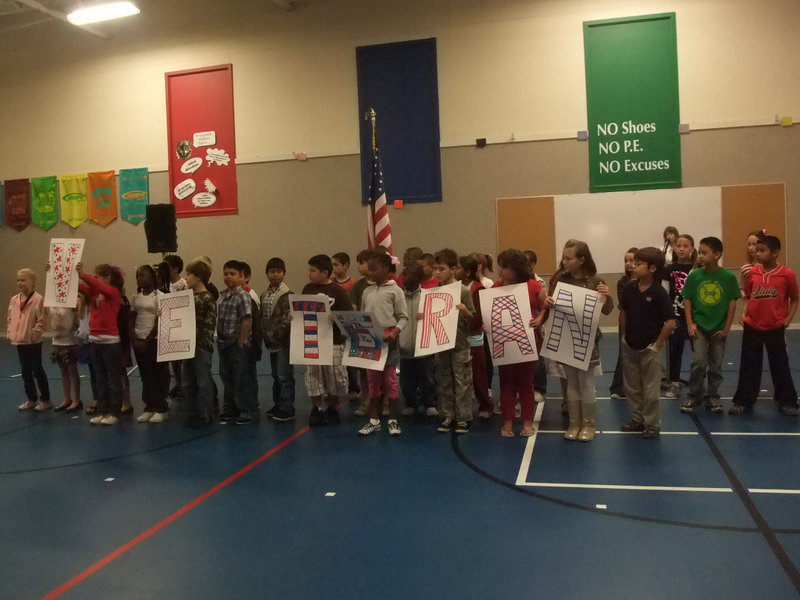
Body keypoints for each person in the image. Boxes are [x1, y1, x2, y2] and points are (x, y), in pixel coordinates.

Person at [544, 240, 613, 441]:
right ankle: (574, 422)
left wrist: (607, 297)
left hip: (588, 338)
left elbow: (607, 310)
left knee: (586, 382)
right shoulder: (560, 280)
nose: (564, 261)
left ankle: (589, 424)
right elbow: (551, 304)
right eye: (563, 258)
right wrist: (548, 302)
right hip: (566, 336)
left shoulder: (596, 280)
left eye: (568, 258)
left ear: (581, 260)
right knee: (571, 381)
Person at [730, 234, 799, 416]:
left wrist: (788, 319)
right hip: (753, 325)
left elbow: (795, 298)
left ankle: (787, 401)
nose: (757, 253)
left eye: (762, 251)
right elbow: (748, 296)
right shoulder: (752, 273)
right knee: (749, 364)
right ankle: (744, 400)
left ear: (775, 252)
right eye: (756, 250)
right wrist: (744, 314)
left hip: (776, 326)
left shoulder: (787, 274)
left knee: (780, 365)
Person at [619, 248, 676, 438]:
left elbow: (670, 322)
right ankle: (637, 419)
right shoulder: (629, 289)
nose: (633, 267)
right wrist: (624, 337)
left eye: (639, 264)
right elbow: (624, 312)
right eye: (634, 263)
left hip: (650, 348)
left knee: (651, 389)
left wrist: (657, 345)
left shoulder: (659, 293)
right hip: (630, 344)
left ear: (652, 268)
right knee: (632, 387)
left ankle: (651, 423)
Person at [680, 236, 740, 414]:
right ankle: (694, 394)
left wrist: (726, 328)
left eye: (704, 253)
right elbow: (688, 299)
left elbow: (732, 302)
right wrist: (690, 323)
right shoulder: (695, 276)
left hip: (719, 329)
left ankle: (713, 397)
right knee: (698, 361)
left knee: (716, 364)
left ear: (717, 254)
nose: (700, 256)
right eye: (699, 252)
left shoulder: (728, 277)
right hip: (699, 327)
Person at [492, 249, 545, 437]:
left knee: (526, 383)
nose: (500, 270)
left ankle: (527, 422)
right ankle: (507, 422)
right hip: (504, 343)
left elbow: (545, 306)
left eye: (505, 267)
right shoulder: (496, 287)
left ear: (516, 268)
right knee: (506, 383)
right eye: (500, 266)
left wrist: (540, 320)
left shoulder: (532, 286)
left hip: (527, 341)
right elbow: (489, 312)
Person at [357, 250, 409, 435]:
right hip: (372, 342)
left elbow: (403, 317)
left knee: (390, 380)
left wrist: (395, 331)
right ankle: (374, 419)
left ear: (386, 268)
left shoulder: (396, 291)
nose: (370, 272)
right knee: (373, 381)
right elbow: (363, 316)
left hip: (389, 342)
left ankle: (393, 420)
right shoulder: (366, 291)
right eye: (368, 269)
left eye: (374, 269)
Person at [302, 254, 352, 426]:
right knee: (313, 375)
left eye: (313, 271)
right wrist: (293, 316)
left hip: (334, 341)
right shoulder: (308, 289)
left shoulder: (339, 292)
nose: (309, 274)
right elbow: (300, 311)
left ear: (324, 273)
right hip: (312, 341)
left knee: (333, 377)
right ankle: (317, 408)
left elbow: (348, 317)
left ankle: (332, 407)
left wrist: (336, 319)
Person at [432, 248, 476, 434]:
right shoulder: (433, 292)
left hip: (460, 344)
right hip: (441, 344)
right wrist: (423, 317)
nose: (437, 272)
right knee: (444, 380)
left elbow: (473, 318)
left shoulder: (463, 291)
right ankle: (448, 414)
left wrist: (465, 311)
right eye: (435, 269)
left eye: (441, 268)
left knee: (462, 381)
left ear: (453, 269)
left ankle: (464, 417)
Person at [77, 263, 125, 425]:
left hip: (110, 342)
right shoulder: (94, 292)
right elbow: (78, 287)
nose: (94, 280)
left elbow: (94, 284)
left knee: (112, 378)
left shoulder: (113, 292)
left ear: (107, 278)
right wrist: (59, 272)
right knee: (100, 378)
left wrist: (84, 275)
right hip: (95, 340)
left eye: (97, 276)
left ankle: (114, 411)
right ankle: (103, 410)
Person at [217, 260, 257, 425]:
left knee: (241, 377)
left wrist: (241, 340)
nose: (228, 277)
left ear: (242, 277)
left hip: (236, 344)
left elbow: (246, 319)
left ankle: (245, 410)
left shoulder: (242, 296)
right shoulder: (223, 296)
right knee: (226, 376)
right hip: (223, 342)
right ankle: (230, 408)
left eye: (232, 274)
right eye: (226, 273)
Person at [130, 265, 170, 423]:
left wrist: (148, 339)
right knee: (145, 374)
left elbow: (160, 320)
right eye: (138, 276)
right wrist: (133, 337)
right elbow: (132, 318)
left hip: (153, 340)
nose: (139, 278)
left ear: (152, 278)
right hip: (139, 339)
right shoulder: (136, 298)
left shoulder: (160, 296)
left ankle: (161, 406)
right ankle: (149, 405)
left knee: (158, 373)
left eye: (143, 275)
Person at [398, 263, 438, 417]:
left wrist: (428, 316)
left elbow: (438, 317)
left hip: (424, 346)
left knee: (427, 377)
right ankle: (410, 403)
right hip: (405, 346)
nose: (404, 278)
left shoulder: (428, 296)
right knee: (406, 380)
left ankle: (429, 403)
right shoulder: (399, 296)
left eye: (407, 274)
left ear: (417, 278)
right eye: (403, 274)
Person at [8, 268, 50, 411]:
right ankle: (31, 398)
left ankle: (45, 399)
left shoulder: (38, 299)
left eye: (23, 280)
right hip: (19, 340)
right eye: (18, 280)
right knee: (25, 370)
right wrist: (11, 332)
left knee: (37, 369)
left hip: (33, 341)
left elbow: (42, 320)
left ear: (32, 282)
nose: (20, 283)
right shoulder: (14, 300)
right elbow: (10, 317)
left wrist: (34, 334)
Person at [456, 254, 492, 418]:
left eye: (457, 268)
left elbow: (479, 318)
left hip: (474, 338)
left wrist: (465, 313)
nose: (454, 270)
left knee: (478, 374)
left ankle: (485, 405)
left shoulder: (477, 289)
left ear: (468, 272)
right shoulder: (451, 288)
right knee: (459, 376)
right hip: (458, 338)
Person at [260, 257, 295, 422]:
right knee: (275, 375)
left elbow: (287, 320)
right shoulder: (264, 294)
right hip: (270, 341)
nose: (275, 275)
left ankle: (287, 407)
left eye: (278, 272)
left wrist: (277, 335)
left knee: (284, 375)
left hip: (283, 342)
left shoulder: (288, 295)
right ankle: (278, 404)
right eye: (272, 272)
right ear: (267, 273)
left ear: (284, 274)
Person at [183, 259, 217, 427]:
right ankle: (191, 412)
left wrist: (201, 343)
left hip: (201, 346)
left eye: (188, 275)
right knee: (188, 381)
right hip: (186, 345)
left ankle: (204, 414)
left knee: (203, 381)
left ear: (198, 277)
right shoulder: (186, 296)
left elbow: (208, 324)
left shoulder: (207, 298)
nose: (186, 278)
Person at [664, 234, 698, 398]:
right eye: (679, 245)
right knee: (674, 351)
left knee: (698, 352)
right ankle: (674, 384)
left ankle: (698, 384)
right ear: (674, 248)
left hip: (695, 317)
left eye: (686, 246)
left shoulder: (697, 269)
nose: (682, 249)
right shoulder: (669, 269)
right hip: (675, 316)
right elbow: (663, 292)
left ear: (692, 248)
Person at [610, 248, 637, 399]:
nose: (629, 264)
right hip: (626, 321)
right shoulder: (623, 282)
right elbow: (623, 304)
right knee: (623, 352)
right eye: (626, 261)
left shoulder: (648, 281)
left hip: (642, 322)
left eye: (632, 261)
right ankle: (617, 387)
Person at [50, 296, 82, 412]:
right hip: (57, 340)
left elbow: (78, 318)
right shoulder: (52, 301)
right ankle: (66, 398)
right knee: (63, 371)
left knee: (72, 371)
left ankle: (76, 399)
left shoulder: (73, 301)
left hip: (70, 340)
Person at [350, 249, 372, 414]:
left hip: (381, 331)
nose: (359, 266)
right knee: (364, 370)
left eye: (362, 263)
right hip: (363, 332)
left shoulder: (385, 285)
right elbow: (354, 308)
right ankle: (366, 399)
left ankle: (385, 400)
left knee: (384, 370)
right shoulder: (358, 286)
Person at [525, 250, 548, 403]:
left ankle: (539, 388)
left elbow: (544, 306)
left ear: (532, 265)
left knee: (538, 360)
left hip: (536, 328)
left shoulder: (538, 283)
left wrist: (539, 319)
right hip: (521, 328)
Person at [163, 254, 186, 400]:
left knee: (183, 360)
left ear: (176, 269)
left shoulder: (183, 284)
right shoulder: (165, 284)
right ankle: (179, 383)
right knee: (174, 360)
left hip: (181, 324)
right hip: (168, 324)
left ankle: (185, 384)